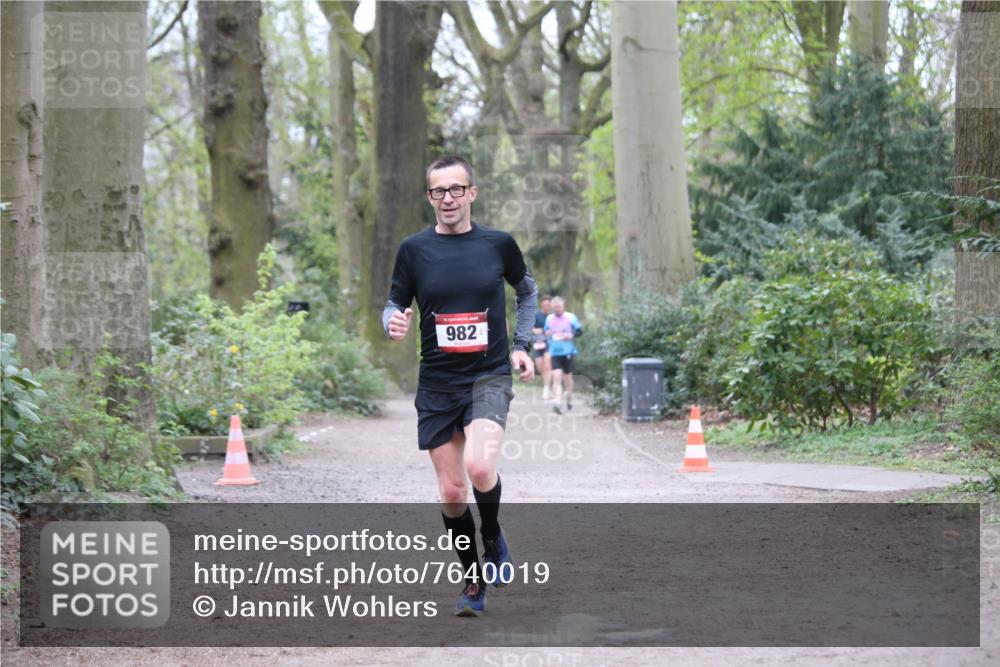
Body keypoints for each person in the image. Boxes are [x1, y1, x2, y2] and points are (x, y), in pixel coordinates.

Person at [382, 155, 537, 617]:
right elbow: (393, 303)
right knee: (452, 492)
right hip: (437, 383)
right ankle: (473, 581)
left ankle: (491, 534)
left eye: (455, 189)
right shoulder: (414, 250)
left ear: (472, 193)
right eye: (438, 191)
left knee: (480, 466)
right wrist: (392, 322)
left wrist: (522, 344)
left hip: (488, 376)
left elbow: (527, 290)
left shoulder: (498, 244)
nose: (447, 198)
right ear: (429, 197)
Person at [544, 296, 582, 415]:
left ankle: (569, 396)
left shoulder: (570, 317)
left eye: (559, 307)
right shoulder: (549, 318)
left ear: (563, 306)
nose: (557, 309)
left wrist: (570, 335)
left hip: (567, 352)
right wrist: (548, 333)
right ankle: (557, 402)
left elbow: (580, 331)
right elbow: (546, 332)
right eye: (555, 307)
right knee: (556, 377)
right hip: (554, 352)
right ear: (552, 307)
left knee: (568, 378)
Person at [532, 295, 553, 400]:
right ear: (541, 304)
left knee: (547, 364)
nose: (546, 306)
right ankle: (548, 384)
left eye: (548, 304)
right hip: (538, 343)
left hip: (550, 343)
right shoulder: (536, 315)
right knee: (540, 367)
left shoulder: (552, 316)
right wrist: (541, 331)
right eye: (544, 304)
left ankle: (546, 389)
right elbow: (532, 329)